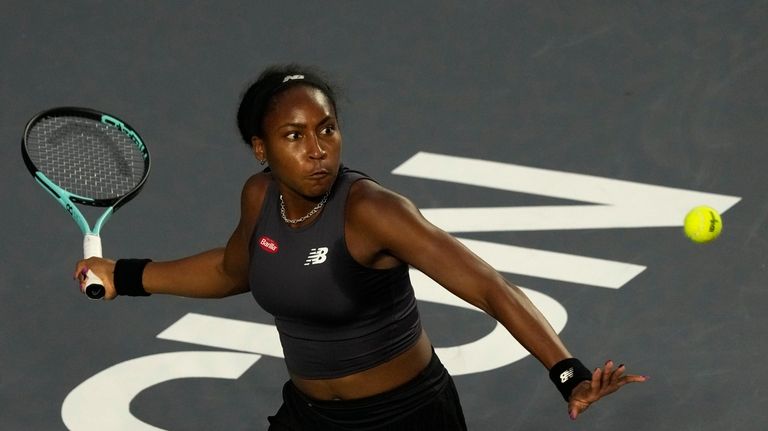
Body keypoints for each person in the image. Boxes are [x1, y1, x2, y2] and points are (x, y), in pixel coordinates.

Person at [74, 64, 647, 430]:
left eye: (327, 128)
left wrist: (567, 373)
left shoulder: (374, 212)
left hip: (406, 419)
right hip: (311, 416)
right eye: (294, 136)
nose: (318, 149)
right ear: (260, 148)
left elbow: (490, 288)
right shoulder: (259, 199)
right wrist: (125, 276)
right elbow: (232, 270)